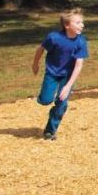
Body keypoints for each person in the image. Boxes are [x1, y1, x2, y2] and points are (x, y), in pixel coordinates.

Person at [31, 9, 88, 140]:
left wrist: (68, 86)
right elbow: (40, 49)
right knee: (45, 100)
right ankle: (50, 106)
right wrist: (35, 64)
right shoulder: (54, 37)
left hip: (67, 76)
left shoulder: (81, 41)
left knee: (62, 103)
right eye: (78, 22)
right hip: (52, 73)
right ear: (67, 25)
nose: (82, 25)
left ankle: (50, 130)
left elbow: (79, 65)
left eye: (82, 22)